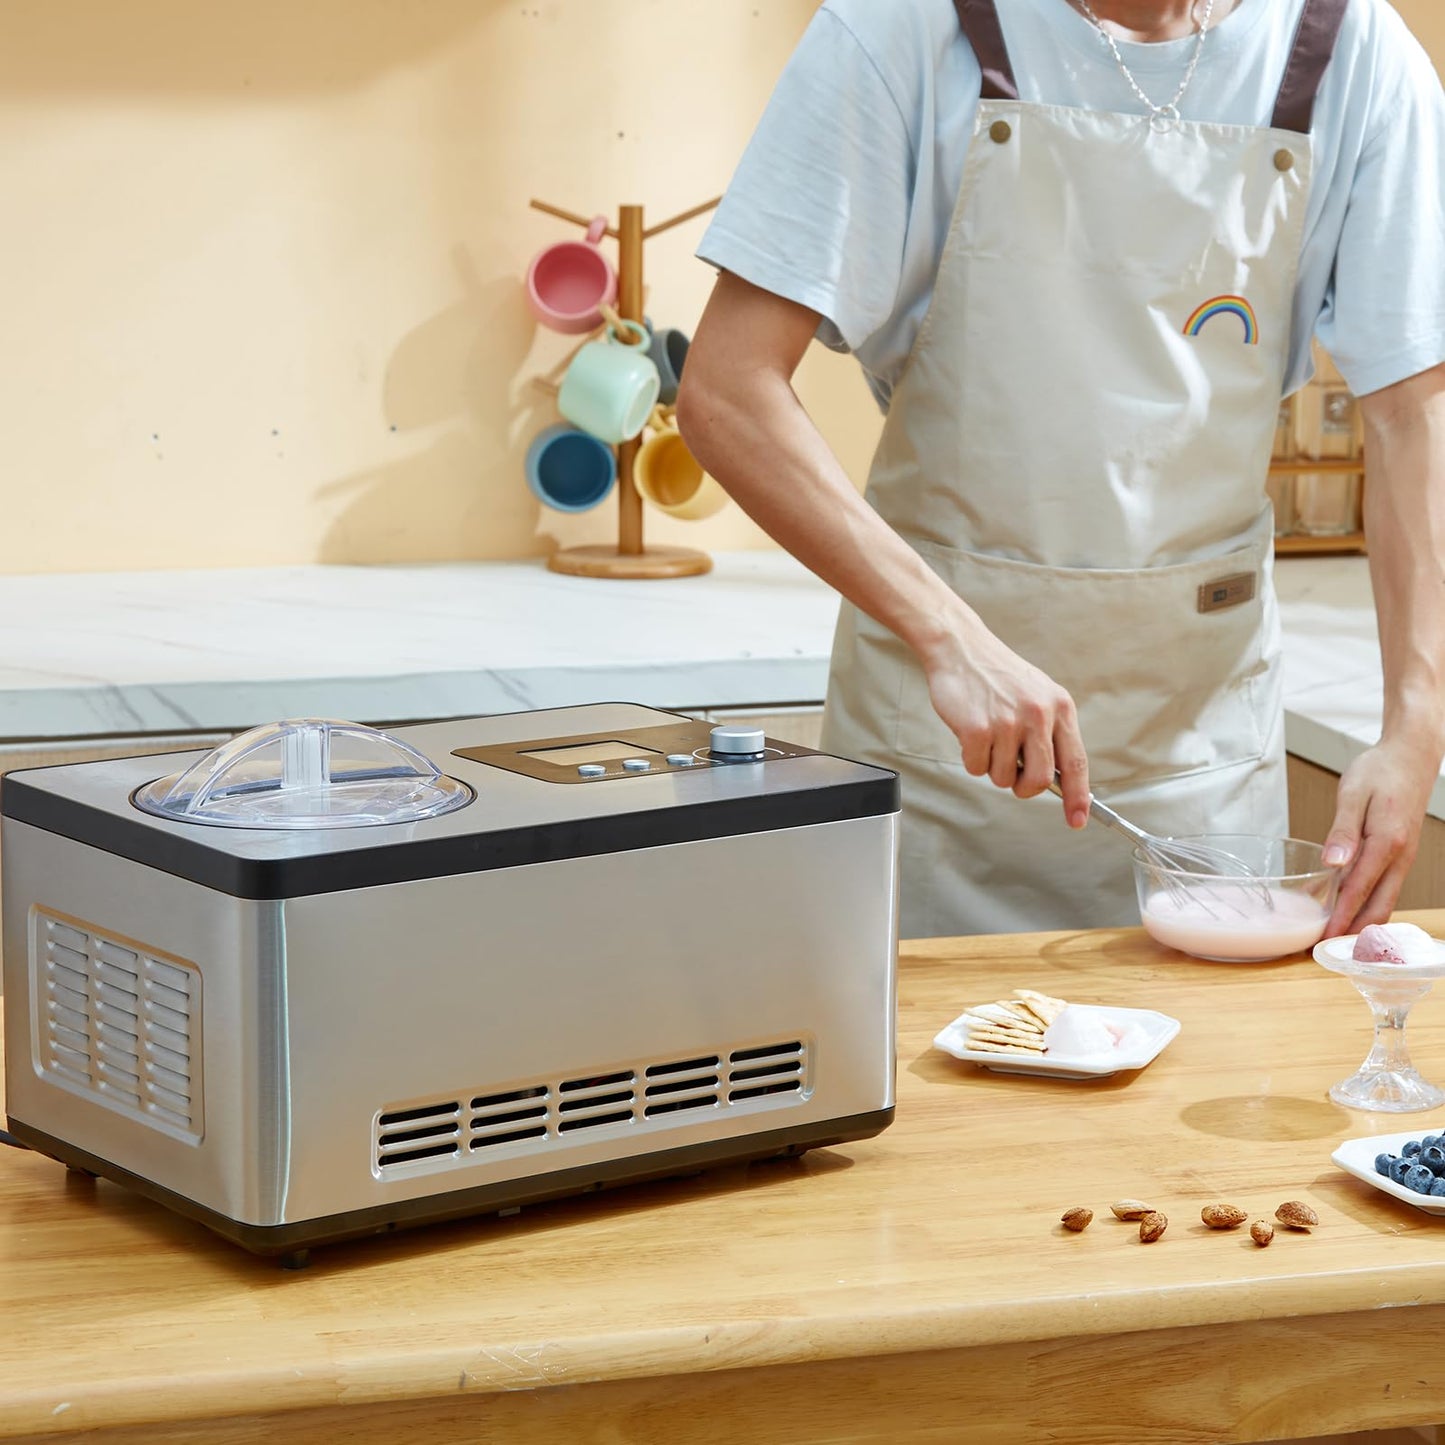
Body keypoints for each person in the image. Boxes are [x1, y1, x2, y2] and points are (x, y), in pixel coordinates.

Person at [675, 0, 1445, 941]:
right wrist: (949, 638)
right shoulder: (902, 28)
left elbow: (1411, 412)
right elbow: (726, 392)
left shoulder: (1349, 49)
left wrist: (1416, 726)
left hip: (1200, 762)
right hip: (944, 751)